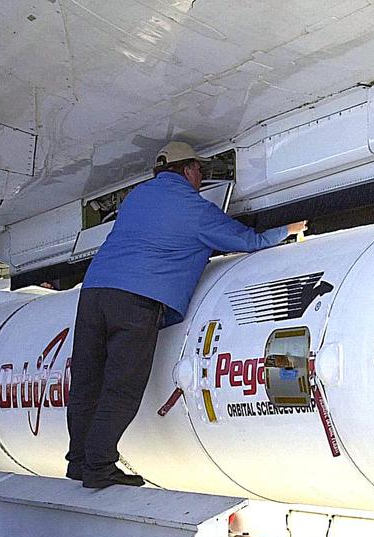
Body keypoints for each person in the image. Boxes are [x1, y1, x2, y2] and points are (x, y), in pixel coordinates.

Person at [66, 140, 307, 489]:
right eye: (200, 170)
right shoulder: (195, 209)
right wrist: (287, 231)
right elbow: (246, 241)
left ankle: (78, 461)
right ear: (188, 169)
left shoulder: (137, 198)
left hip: (94, 293)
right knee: (121, 388)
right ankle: (99, 467)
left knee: (87, 382)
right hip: (136, 299)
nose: (201, 177)